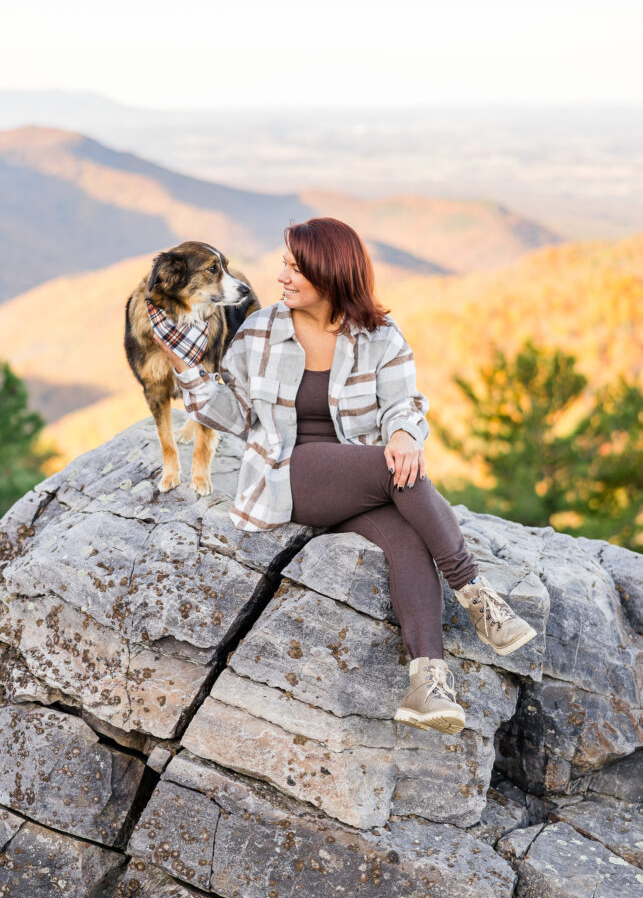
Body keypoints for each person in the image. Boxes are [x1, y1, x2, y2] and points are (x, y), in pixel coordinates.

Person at [148, 217, 537, 735]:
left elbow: (405, 405)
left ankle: (429, 683)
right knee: (395, 469)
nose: (281, 277)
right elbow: (236, 417)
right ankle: (475, 592)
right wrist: (188, 371)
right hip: (289, 473)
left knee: (407, 537)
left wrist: (404, 432)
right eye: (284, 265)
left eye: (294, 268)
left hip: (359, 484)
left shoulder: (379, 336)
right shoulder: (259, 330)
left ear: (329, 275)